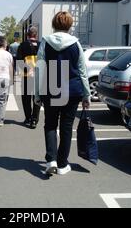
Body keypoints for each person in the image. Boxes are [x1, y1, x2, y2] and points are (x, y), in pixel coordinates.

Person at [35, 11, 91, 176]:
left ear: (54, 24)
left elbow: (40, 68)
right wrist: (86, 95)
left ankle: (50, 160)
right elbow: (82, 71)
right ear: (70, 25)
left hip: (51, 88)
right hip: (72, 90)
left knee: (50, 125)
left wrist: (37, 94)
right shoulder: (76, 44)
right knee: (66, 128)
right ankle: (62, 164)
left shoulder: (45, 42)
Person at [16, 27, 40, 129]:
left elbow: (19, 61)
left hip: (27, 76)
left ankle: (28, 118)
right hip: (38, 76)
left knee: (26, 98)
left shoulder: (23, 45)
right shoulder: (41, 45)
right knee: (37, 98)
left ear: (27, 35)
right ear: (36, 35)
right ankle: (34, 120)